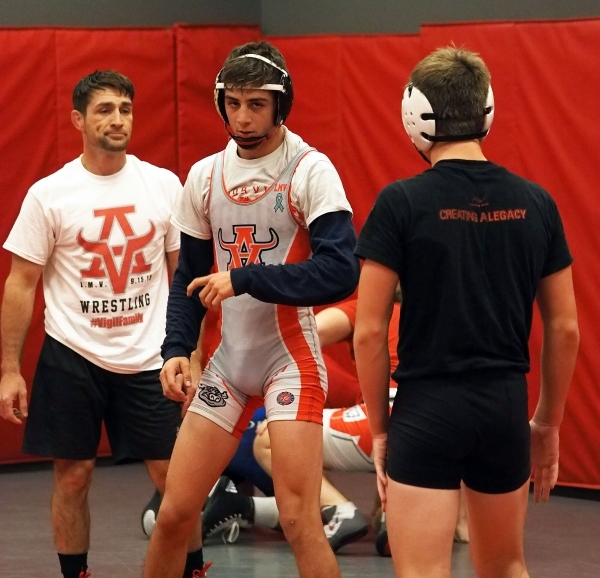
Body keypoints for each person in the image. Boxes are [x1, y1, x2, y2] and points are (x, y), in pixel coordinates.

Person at [353, 46, 579, 578]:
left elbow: (367, 333)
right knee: (505, 567)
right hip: (503, 405)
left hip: (427, 407)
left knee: (423, 571)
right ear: (487, 112)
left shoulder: (400, 203)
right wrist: (546, 422)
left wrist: (381, 431)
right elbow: (564, 329)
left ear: (414, 113)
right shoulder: (536, 202)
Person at [142, 41, 359, 578]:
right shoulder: (204, 177)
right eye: (233, 103)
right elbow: (188, 279)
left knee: (299, 519)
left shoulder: (311, 170)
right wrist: (174, 348)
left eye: (256, 104)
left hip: (290, 361)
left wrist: (244, 278)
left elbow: (341, 271)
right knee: (173, 514)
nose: (242, 117)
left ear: (280, 105)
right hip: (226, 365)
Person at [0, 70, 204, 578]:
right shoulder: (50, 194)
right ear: (78, 119)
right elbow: (21, 284)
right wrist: (8, 370)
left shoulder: (162, 184)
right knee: (73, 477)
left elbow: (186, 278)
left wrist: (192, 354)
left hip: (150, 357)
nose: (118, 119)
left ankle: (193, 570)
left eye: (125, 109)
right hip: (73, 356)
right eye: (105, 109)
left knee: (176, 480)